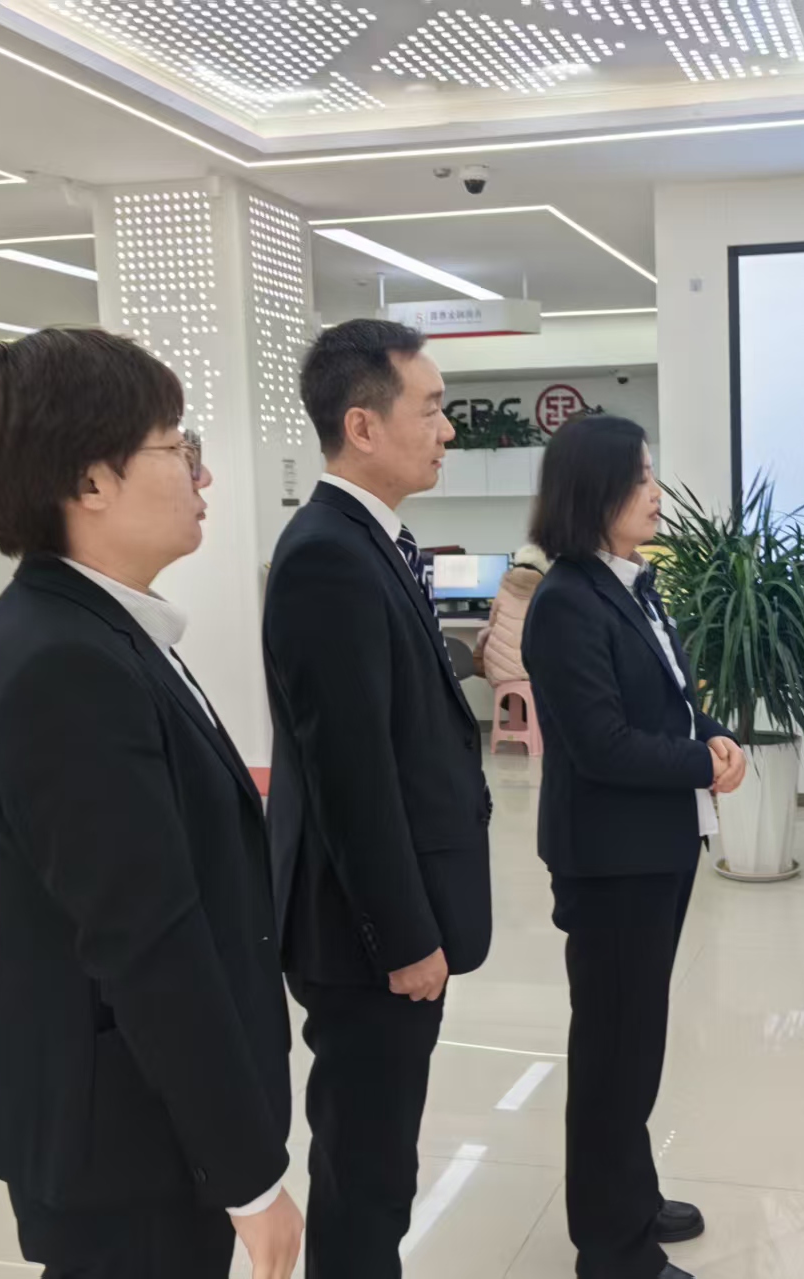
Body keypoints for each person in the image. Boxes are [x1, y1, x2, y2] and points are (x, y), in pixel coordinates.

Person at [0, 329, 301, 1279]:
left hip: (147, 1122)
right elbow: (146, 940)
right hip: (127, 1144)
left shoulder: (101, 630)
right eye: (179, 447)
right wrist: (251, 1179)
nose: (203, 474)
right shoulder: (65, 662)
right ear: (90, 481)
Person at [264, 318, 493, 1278]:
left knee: (380, 1160)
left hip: (381, 920)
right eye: (431, 409)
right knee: (366, 1168)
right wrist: (403, 937)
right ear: (362, 426)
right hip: (364, 937)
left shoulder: (371, 541)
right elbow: (350, 773)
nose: (448, 429)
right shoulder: (328, 553)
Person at [521, 416, 747, 1279]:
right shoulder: (566, 601)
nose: (656, 491)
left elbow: (673, 699)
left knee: (636, 1039)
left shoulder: (631, 582)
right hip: (610, 859)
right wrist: (701, 763)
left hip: (655, 846)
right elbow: (602, 745)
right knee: (613, 1053)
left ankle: (633, 1196)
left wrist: (714, 733)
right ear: (594, 490)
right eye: (640, 477)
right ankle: (611, 1247)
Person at [472, 542, 550, 684]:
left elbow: (491, 626)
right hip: (537, 676)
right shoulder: (548, 592)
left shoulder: (504, 590)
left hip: (501, 676)